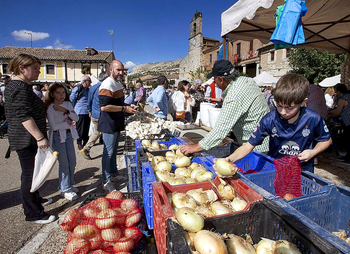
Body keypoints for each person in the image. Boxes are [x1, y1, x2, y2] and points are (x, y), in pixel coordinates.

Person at [224, 73, 332, 172]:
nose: (283, 112)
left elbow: (326, 140)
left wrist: (313, 152)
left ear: (303, 102)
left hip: (303, 172)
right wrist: (229, 159)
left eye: (290, 108)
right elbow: (248, 145)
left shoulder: (313, 118)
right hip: (276, 170)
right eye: (279, 106)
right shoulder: (269, 119)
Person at [4, 53, 57, 224]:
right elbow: (24, 116)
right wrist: (40, 137)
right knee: (29, 175)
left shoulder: (21, 86)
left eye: (39, 69)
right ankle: (33, 213)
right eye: (35, 69)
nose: (38, 72)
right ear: (22, 68)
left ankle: (35, 199)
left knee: (33, 172)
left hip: (27, 138)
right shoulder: (18, 87)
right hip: (26, 139)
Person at [180, 60, 270, 155]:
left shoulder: (234, 95)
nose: (214, 82)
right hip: (265, 139)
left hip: (256, 148)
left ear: (221, 80)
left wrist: (195, 147)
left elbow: (220, 130)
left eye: (214, 79)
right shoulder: (247, 80)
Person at [98, 60, 138, 192]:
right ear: (111, 70)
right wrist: (124, 109)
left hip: (115, 123)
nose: (121, 73)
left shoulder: (117, 83)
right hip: (108, 124)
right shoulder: (107, 84)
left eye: (122, 70)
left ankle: (113, 173)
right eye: (118, 70)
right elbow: (104, 107)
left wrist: (127, 106)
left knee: (114, 150)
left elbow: (118, 103)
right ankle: (106, 180)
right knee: (108, 152)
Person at [45, 83, 80, 201]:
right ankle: (64, 189)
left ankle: (69, 184)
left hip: (68, 135)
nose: (61, 95)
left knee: (72, 161)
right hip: (58, 136)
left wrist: (65, 111)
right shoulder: (50, 107)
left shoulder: (67, 104)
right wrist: (68, 123)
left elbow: (76, 118)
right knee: (64, 163)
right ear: (52, 94)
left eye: (63, 92)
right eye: (58, 93)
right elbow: (54, 126)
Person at [80, 72, 109, 160]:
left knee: (98, 132)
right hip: (101, 115)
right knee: (100, 132)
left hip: (94, 114)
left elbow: (89, 101)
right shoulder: (103, 88)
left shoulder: (92, 88)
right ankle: (87, 148)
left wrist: (90, 111)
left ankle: (87, 148)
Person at [328, 83, 350, 165]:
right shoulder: (348, 96)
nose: (335, 93)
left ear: (339, 91)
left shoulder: (343, 99)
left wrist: (329, 116)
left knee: (347, 140)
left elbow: (337, 112)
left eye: (335, 91)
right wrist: (329, 111)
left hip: (348, 122)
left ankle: (348, 158)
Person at [70, 75, 91, 150]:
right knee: (80, 129)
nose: (90, 82)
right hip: (80, 111)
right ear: (84, 81)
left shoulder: (88, 90)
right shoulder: (78, 88)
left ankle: (85, 144)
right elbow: (72, 99)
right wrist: (71, 110)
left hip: (87, 112)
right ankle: (79, 143)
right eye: (89, 81)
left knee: (87, 129)